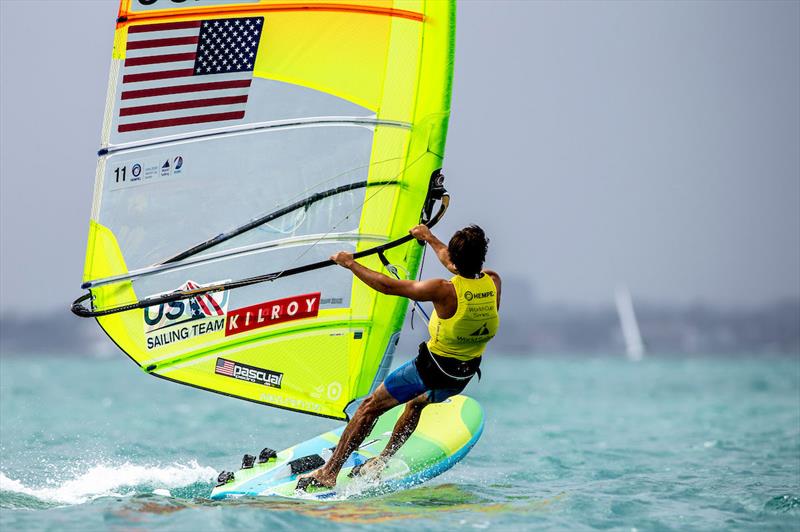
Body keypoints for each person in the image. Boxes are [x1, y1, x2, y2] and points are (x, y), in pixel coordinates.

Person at [297, 223, 501, 491]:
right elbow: (457, 267)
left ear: (453, 259)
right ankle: (382, 460)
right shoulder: (493, 281)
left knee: (369, 407)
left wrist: (350, 264)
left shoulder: (443, 291)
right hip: (462, 375)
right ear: (481, 256)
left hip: (431, 368)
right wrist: (429, 237)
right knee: (416, 404)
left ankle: (329, 473)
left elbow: (388, 286)